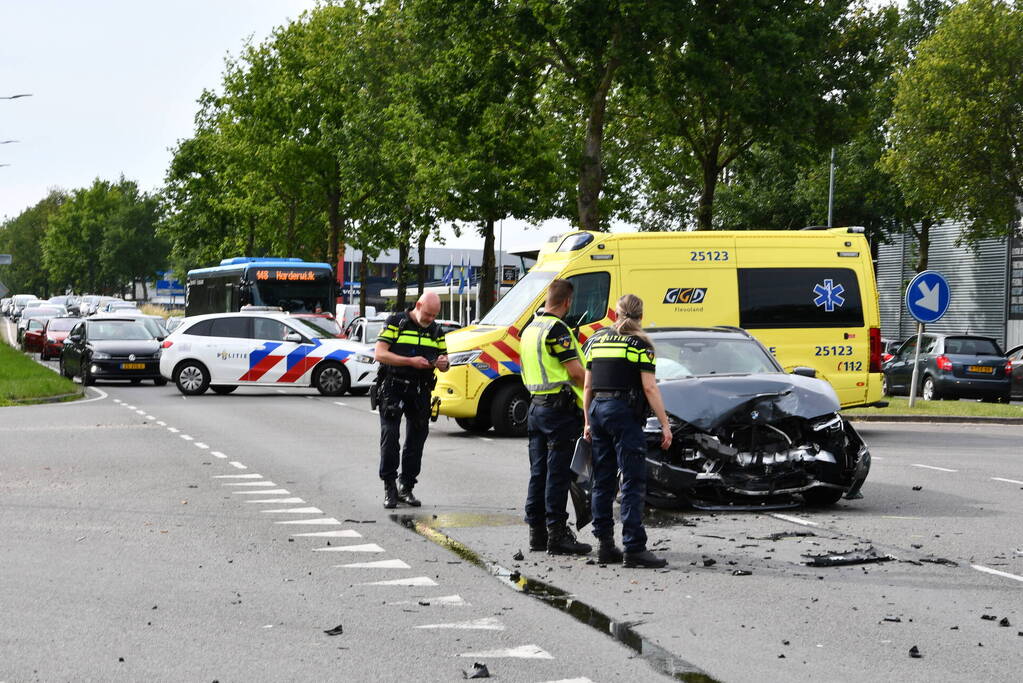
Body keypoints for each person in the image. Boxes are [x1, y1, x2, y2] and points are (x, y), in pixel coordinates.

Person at [583, 293, 672, 568]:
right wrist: (665, 424)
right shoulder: (641, 344)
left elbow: (587, 387)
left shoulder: (595, 341)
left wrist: (586, 421)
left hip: (598, 410)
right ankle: (634, 547)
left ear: (616, 314)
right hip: (624, 413)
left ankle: (604, 545)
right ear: (640, 316)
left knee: (603, 480)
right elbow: (649, 387)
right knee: (632, 480)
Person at [520, 279, 591, 556]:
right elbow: (574, 371)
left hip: (535, 408)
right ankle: (557, 534)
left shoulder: (530, 329)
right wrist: (593, 386)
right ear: (567, 302)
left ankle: (536, 533)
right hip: (558, 411)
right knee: (558, 474)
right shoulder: (557, 329)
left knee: (539, 473)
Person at [374, 292, 449, 509]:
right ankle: (390, 487)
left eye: (434, 315)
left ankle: (406, 487)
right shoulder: (396, 322)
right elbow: (380, 353)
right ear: (418, 305)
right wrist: (410, 361)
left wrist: (443, 363)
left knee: (416, 441)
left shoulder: (436, 330)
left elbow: (444, 359)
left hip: (420, 389)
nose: (430, 319)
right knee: (390, 437)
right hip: (393, 386)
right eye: (427, 314)